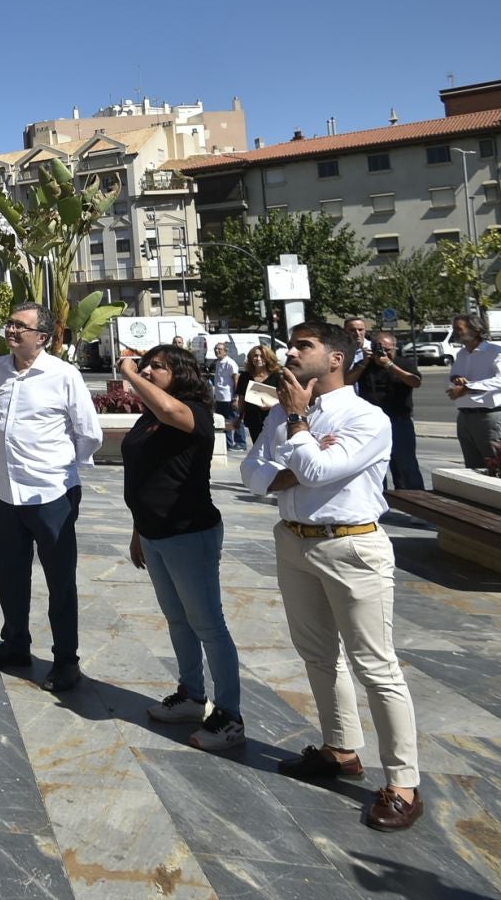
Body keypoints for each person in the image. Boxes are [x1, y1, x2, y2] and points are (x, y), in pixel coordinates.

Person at [241, 321, 423, 831]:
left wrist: (299, 431)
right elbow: (252, 474)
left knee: (376, 666)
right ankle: (340, 749)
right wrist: (296, 453)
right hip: (294, 539)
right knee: (318, 655)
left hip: (351, 545)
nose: (290, 353)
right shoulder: (280, 411)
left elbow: (320, 472)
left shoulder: (367, 417)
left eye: (304, 346)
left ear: (336, 359)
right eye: (292, 344)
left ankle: (403, 784)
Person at [0, 303, 102, 693]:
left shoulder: (64, 375)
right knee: (9, 576)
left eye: (19, 326)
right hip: (5, 491)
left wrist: (61, 470)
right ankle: (15, 644)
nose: (10, 330)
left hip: (51, 494)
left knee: (60, 581)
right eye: (9, 323)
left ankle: (66, 661)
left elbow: (88, 432)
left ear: (41, 337)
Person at [119, 345, 245, 751]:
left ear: (183, 375)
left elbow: (173, 414)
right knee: (177, 619)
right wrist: (139, 529)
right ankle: (192, 695)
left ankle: (229, 714)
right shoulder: (150, 416)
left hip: (189, 532)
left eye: (159, 367)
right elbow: (146, 473)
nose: (150, 371)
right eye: (148, 365)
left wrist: (132, 376)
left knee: (208, 623)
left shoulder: (195, 413)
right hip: (155, 533)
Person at [346, 330, 424, 489]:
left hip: (399, 420)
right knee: (374, 466)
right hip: (372, 424)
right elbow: (346, 382)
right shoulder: (365, 365)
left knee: (405, 465)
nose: (383, 353)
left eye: (387, 350)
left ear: (395, 348)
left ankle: (414, 500)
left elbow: (415, 382)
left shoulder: (404, 363)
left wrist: (390, 365)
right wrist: (363, 363)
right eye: (378, 348)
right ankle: (380, 503)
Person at [447, 313, 501, 470]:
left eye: (459, 329)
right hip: (464, 417)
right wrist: (456, 380)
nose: (455, 332)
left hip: (487, 418)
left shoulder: (495, 352)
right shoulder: (461, 354)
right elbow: (453, 377)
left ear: (475, 330)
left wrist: (468, 388)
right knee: (473, 469)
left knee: (497, 466)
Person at [236, 345, 280, 447]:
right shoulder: (245, 377)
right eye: (255, 356)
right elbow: (241, 399)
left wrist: (271, 405)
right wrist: (239, 417)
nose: (258, 359)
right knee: (258, 447)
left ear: (268, 358)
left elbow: (284, 399)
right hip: (253, 418)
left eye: (262, 356)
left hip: (272, 418)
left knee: (272, 447)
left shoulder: (277, 376)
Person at [210, 343, 244, 451]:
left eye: (219, 349)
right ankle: (228, 443)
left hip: (229, 397)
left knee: (235, 419)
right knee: (224, 422)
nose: (217, 351)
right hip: (220, 398)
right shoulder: (218, 363)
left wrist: (236, 397)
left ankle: (240, 443)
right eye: (215, 349)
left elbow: (236, 380)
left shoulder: (230, 363)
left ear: (225, 351)